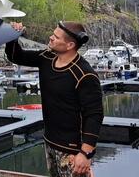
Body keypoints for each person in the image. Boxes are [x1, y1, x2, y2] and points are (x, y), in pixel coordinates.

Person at [6, 21, 103, 177]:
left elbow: (95, 114)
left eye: (56, 37)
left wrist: (86, 154)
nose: (51, 38)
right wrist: (12, 36)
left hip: (73, 151)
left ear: (70, 45)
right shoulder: (47, 57)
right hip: (50, 142)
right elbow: (15, 56)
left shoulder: (84, 74)